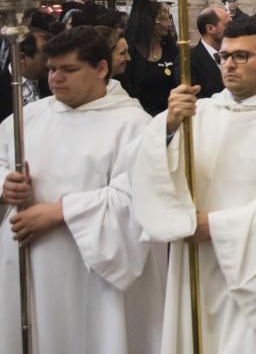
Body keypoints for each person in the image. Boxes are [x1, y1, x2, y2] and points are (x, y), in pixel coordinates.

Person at [130, 18, 256, 353]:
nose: (229, 65)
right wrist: (168, 126)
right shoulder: (198, 114)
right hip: (199, 263)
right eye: (223, 57)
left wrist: (214, 227)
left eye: (241, 57)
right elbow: (144, 172)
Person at [0, 27, 165, 353]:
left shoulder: (133, 125)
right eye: (51, 69)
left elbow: (137, 199)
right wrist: (5, 183)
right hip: (30, 263)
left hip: (94, 271)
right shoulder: (28, 117)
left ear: (101, 69)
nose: (55, 79)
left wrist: (60, 212)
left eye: (68, 70)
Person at [121, 0, 178, 116]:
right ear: (152, 23)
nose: (169, 25)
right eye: (166, 19)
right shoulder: (130, 52)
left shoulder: (169, 48)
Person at [0, 29, 52, 122]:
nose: (50, 64)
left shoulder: (53, 83)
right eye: (45, 59)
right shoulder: (2, 84)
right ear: (22, 58)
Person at [190, 6, 230, 99]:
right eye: (228, 25)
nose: (233, 29)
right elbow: (194, 99)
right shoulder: (189, 61)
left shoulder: (234, 54)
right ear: (210, 28)